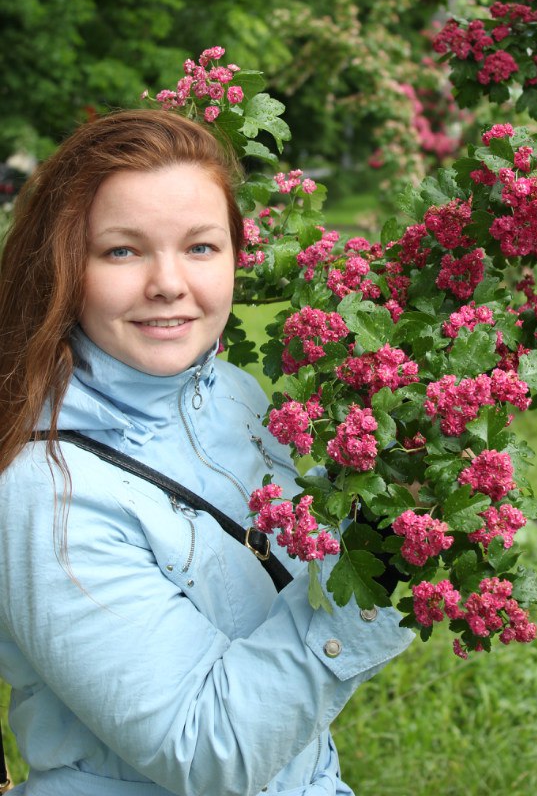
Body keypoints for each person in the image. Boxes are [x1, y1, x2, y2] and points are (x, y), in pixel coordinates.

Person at [0, 109, 414, 796]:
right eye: (122, 251)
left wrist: (397, 474)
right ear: (64, 268)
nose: (168, 283)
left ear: (234, 256)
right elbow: (205, 749)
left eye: (199, 246)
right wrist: (386, 560)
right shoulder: (49, 496)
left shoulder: (233, 395)